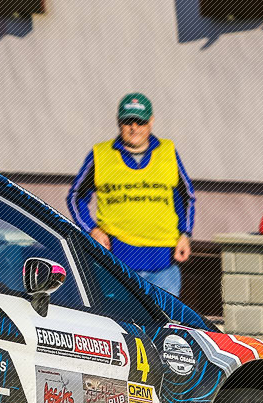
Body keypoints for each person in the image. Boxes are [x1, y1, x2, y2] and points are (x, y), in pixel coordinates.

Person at [70, 92, 194, 295]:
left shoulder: (168, 151)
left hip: (164, 265)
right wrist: (91, 230)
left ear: (151, 121)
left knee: (162, 316)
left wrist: (185, 234)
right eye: (128, 121)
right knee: (114, 316)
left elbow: (184, 197)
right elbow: (76, 197)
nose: (134, 127)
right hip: (115, 265)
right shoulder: (101, 154)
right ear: (119, 122)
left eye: (140, 122)